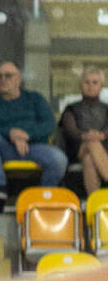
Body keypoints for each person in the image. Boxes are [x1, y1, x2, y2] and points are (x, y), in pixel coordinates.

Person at [0, 61, 68, 197]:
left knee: (59, 159)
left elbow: (49, 124)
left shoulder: (35, 99)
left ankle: (44, 195)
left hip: (34, 147)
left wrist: (26, 135)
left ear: (19, 79)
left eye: (8, 76)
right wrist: (11, 134)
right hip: (5, 149)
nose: (2, 79)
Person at [59, 66, 108, 194]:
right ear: (80, 85)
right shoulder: (70, 108)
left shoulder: (107, 108)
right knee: (91, 143)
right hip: (77, 148)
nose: (90, 86)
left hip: (104, 149)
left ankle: (94, 201)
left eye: (95, 82)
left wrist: (102, 135)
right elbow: (71, 131)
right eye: (87, 82)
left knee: (89, 159)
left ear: (101, 86)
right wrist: (87, 135)